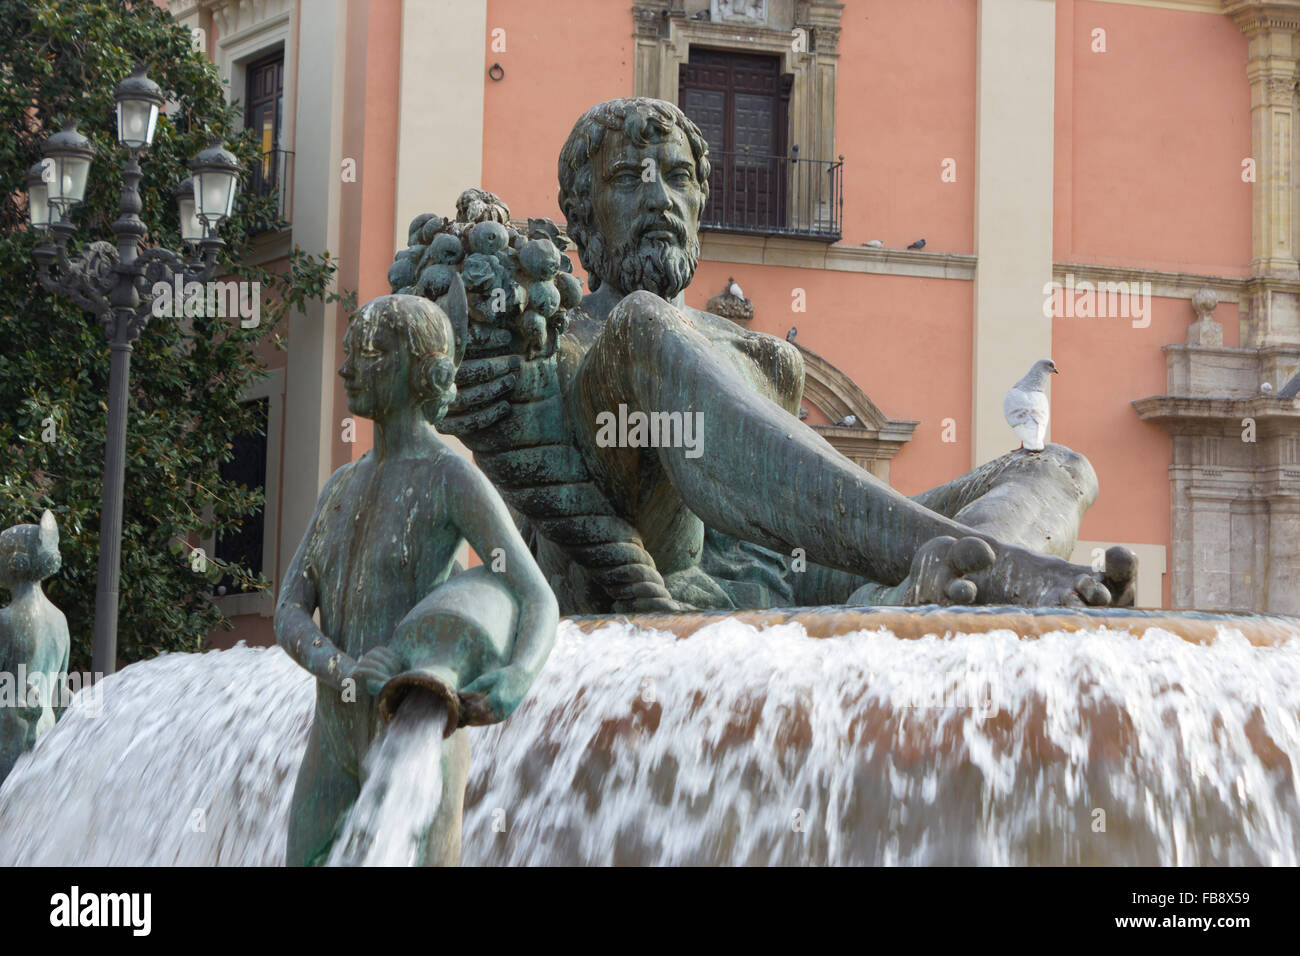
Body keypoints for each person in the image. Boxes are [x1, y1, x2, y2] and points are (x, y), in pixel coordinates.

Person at [442, 98, 1135, 611]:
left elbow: (783, 553)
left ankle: (946, 578)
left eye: (679, 177)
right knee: (643, 324)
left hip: (791, 587)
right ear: (582, 214)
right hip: (647, 590)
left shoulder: (768, 359)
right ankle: (979, 565)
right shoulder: (551, 343)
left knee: (1057, 468)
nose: (660, 197)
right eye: (629, 178)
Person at [274, 290, 558, 866]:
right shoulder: (339, 489)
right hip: (333, 730)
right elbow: (287, 610)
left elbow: (535, 595)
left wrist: (516, 676)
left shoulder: (450, 477)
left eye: (371, 352)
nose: (347, 367)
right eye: (351, 350)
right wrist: (344, 668)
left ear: (421, 370)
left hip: (418, 725)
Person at [0, 511, 69, 785]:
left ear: (15, 562)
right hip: (45, 732)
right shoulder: (60, 621)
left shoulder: (5, 620)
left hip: (8, 731)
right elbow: (60, 694)